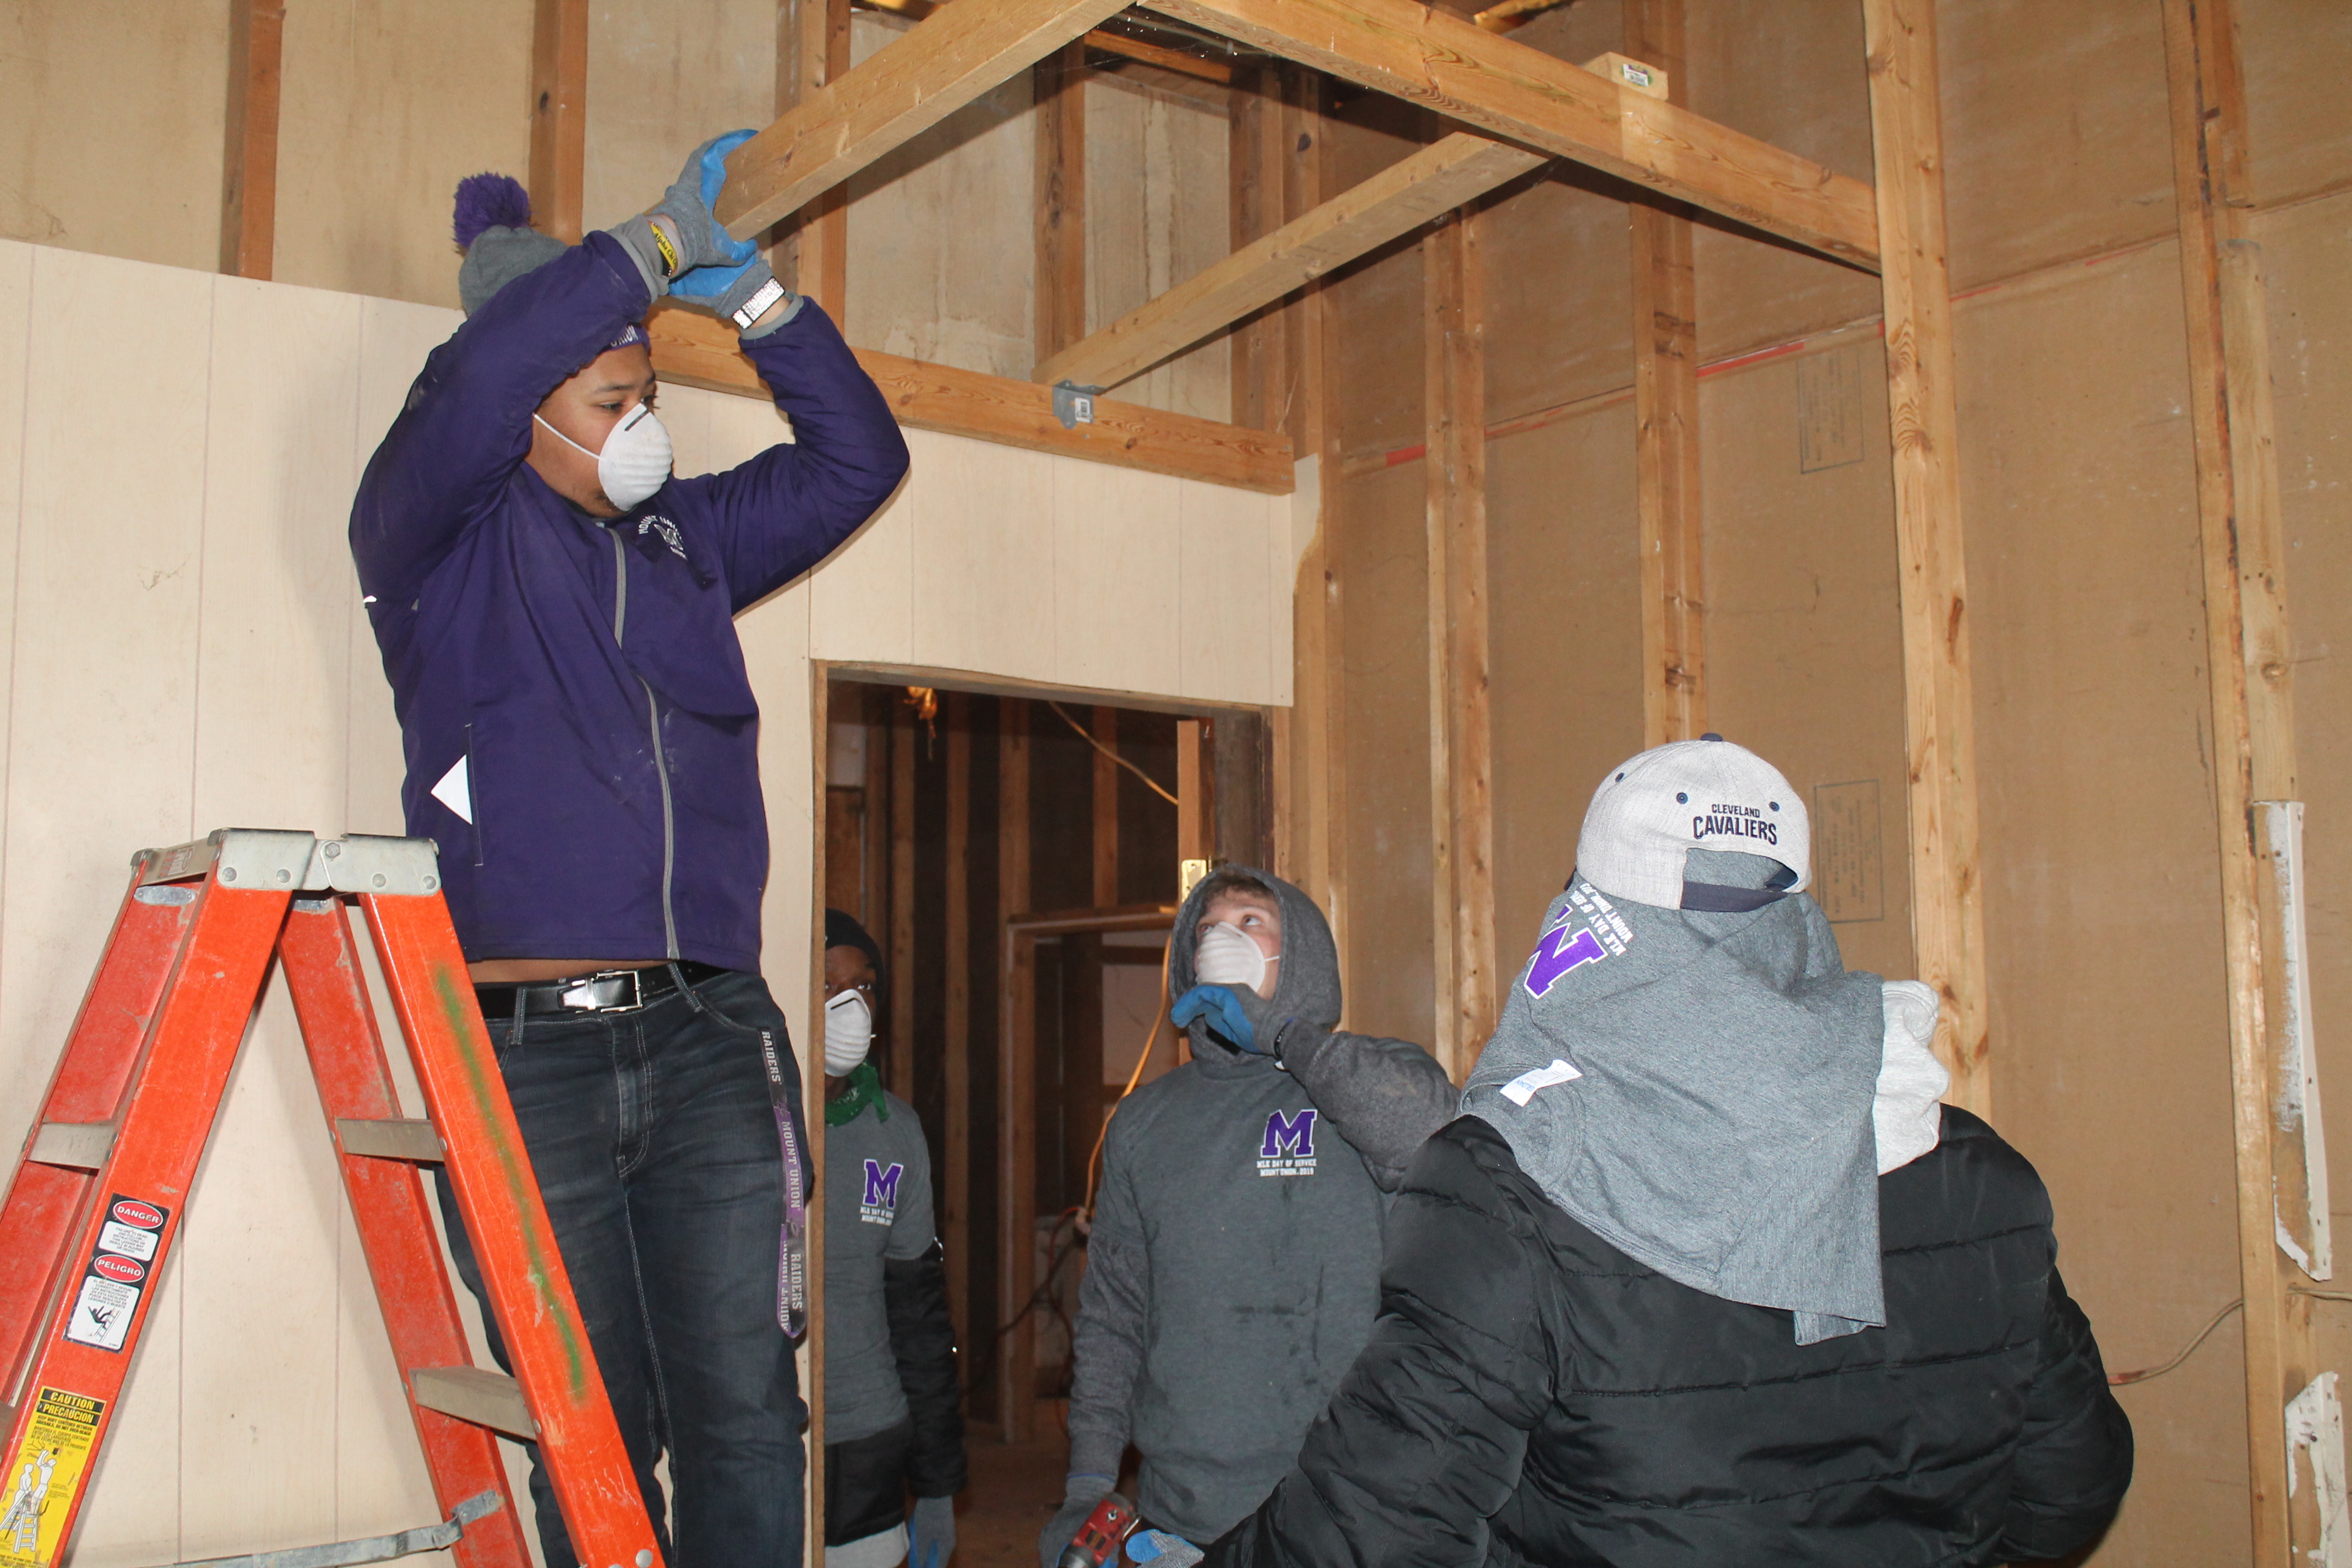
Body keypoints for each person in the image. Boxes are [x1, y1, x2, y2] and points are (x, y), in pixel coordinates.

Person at [349, 133, 910, 1568]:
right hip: (526, 1054)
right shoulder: (432, 535)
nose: (646, 421)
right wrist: (643, 254)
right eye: (612, 396)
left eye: (648, 390)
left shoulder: (689, 541)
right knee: (586, 1428)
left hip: (712, 1036)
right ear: (520, 414)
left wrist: (763, 307)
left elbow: (861, 459)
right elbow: (470, 382)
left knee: (743, 1417)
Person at [1200, 736, 2135, 1568]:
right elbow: (2072, 1487)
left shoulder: (1515, 1187)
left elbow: (1370, 1532)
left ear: (1597, 919)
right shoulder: (1972, 1171)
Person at [1042, 867, 1460, 1566]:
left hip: (1349, 1513)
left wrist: (1281, 1034)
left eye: (1250, 922)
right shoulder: (1145, 1121)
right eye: (1207, 928)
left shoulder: (1363, 1078)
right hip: (1183, 1518)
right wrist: (1088, 1481)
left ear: (1298, 954)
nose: (1222, 940)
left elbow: (1431, 1131)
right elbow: (1114, 1313)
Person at [819, 910, 966, 1568]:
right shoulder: (735, 1122)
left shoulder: (895, 1133)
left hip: (869, 1443)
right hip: (759, 1439)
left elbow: (920, 1316)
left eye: (865, 986)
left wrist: (936, 1485)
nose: (850, 1004)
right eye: (828, 986)